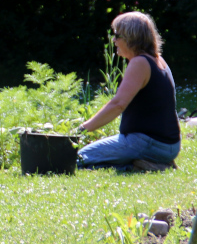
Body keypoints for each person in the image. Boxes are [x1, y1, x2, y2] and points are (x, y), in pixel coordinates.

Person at [77, 11, 181, 171]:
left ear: (131, 38)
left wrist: (81, 130)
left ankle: (145, 165)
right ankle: (147, 164)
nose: (114, 40)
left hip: (149, 143)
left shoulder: (140, 63)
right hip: (168, 145)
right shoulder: (157, 59)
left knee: (80, 158)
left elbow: (118, 104)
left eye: (117, 36)